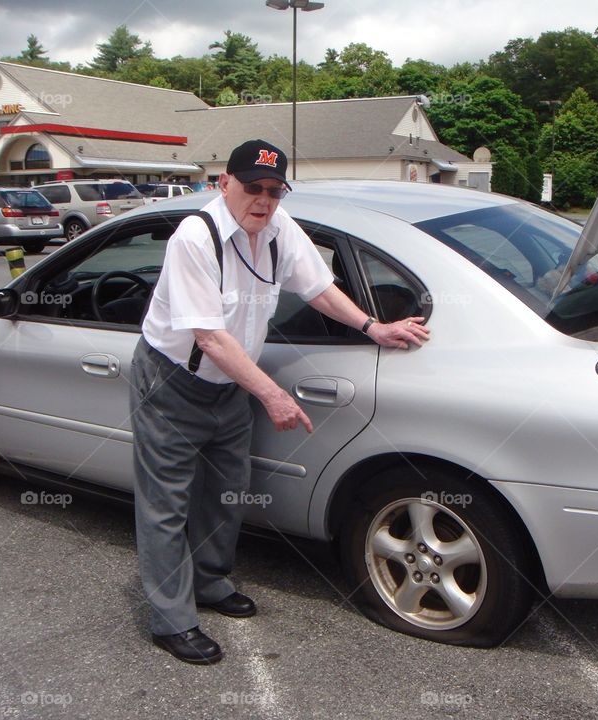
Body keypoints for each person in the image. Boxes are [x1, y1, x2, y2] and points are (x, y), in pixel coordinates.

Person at [130, 139, 429, 665]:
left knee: (228, 491)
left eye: (274, 190)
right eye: (253, 188)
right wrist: (272, 395)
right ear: (224, 183)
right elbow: (210, 338)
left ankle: (211, 583)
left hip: (230, 384)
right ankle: (172, 619)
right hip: (172, 382)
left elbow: (316, 288)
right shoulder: (193, 240)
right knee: (167, 505)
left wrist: (371, 325)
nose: (264, 201)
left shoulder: (278, 228)